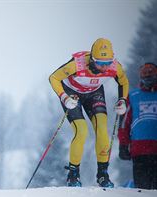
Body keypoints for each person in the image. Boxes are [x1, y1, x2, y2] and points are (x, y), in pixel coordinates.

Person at [49, 38, 129, 188]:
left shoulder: (115, 66)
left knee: (102, 130)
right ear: (92, 59)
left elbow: (123, 81)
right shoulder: (77, 65)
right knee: (82, 130)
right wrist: (64, 97)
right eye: (100, 63)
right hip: (72, 93)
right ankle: (73, 174)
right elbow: (53, 77)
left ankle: (102, 174)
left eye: (107, 63)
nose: (104, 68)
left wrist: (122, 100)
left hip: (94, 93)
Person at [118, 63, 157, 189]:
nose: (147, 75)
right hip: (139, 150)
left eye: (150, 73)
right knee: (142, 191)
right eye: (144, 73)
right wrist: (123, 144)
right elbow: (124, 123)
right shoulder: (133, 96)